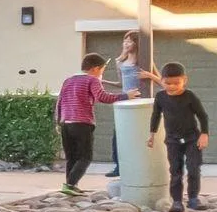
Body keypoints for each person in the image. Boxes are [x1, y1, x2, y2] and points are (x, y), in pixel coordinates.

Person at [56, 53, 126, 194]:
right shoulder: (92, 80)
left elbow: (60, 102)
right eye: (102, 70)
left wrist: (58, 122)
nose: (102, 74)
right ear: (95, 68)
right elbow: (102, 97)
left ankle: (71, 186)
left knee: (72, 158)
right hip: (82, 123)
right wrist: (125, 96)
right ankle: (70, 185)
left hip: (65, 123)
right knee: (85, 157)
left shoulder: (68, 80)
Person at [146, 62, 211, 212]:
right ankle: (177, 201)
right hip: (172, 140)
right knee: (175, 171)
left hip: (192, 139)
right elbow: (156, 115)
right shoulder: (160, 97)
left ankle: (193, 198)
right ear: (161, 81)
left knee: (193, 168)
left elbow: (202, 116)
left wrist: (204, 134)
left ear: (184, 80)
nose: (172, 87)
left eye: (176, 83)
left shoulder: (189, 96)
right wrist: (152, 135)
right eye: (168, 83)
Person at [106, 34, 149, 176]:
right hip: (124, 103)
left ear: (136, 43)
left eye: (130, 41)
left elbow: (160, 79)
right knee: (117, 135)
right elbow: (121, 83)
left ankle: (140, 166)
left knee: (138, 135)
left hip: (139, 102)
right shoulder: (120, 62)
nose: (126, 43)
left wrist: (149, 76)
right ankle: (118, 167)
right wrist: (103, 82)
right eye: (125, 41)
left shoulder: (144, 61)